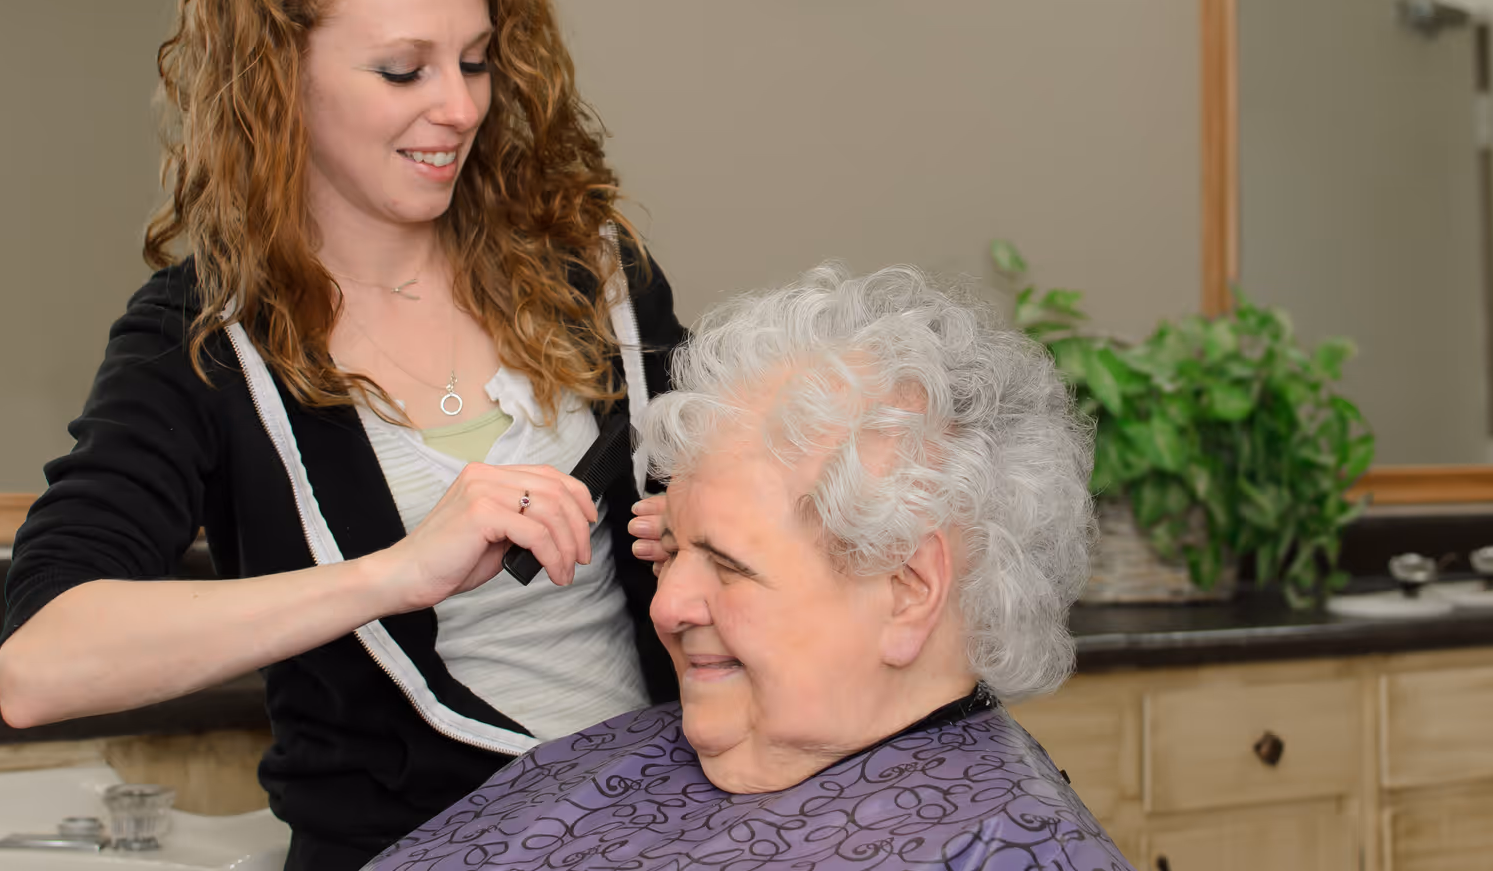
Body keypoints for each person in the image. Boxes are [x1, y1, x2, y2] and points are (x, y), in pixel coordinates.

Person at [0, 0, 686, 870]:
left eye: (477, 61)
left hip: (659, 832)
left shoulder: (592, 270)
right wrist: (395, 574)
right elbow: (44, 665)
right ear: (280, 84)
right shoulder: (202, 339)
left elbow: (714, 497)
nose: (458, 107)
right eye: (404, 70)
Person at [365, 265, 1134, 871]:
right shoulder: (611, 768)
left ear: (909, 591)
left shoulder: (1000, 847)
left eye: (728, 567)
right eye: (673, 551)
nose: (667, 609)